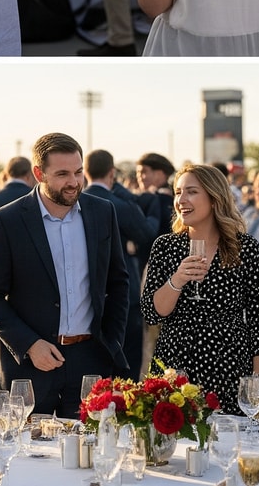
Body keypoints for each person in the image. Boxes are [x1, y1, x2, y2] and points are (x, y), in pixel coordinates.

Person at [0, 133, 130, 415]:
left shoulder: (102, 212)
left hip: (90, 362)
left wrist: (111, 341)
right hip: (28, 367)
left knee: (90, 455)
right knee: (27, 456)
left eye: (78, 172)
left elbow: (118, 282)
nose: (73, 182)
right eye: (62, 174)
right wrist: (30, 345)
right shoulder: (6, 219)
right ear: (38, 173)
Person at [140, 162, 259, 414]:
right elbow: (152, 313)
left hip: (229, 367)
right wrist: (177, 279)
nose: (181, 199)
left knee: (229, 445)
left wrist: (258, 381)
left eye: (191, 191)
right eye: (178, 192)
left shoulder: (245, 248)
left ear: (214, 198)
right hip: (174, 367)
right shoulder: (165, 246)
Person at [84, 149, 157, 379]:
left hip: (86, 294)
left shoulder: (76, 203)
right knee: (127, 362)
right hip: (123, 291)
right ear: (112, 172)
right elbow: (145, 233)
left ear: (85, 171)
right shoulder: (119, 203)